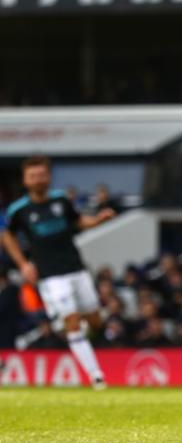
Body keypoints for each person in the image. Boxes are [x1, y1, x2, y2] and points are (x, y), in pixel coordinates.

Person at [1, 156, 115, 389]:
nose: (38, 179)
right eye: (33, 176)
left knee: (95, 321)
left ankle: (64, 326)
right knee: (73, 320)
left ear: (48, 176)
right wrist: (23, 264)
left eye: (42, 175)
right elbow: (7, 235)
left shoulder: (61, 200)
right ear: (25, 180)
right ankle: (96, 376)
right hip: (50, 275)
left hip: (77, 269)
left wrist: (98, 220)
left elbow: (78, 221)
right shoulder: (19, 210)